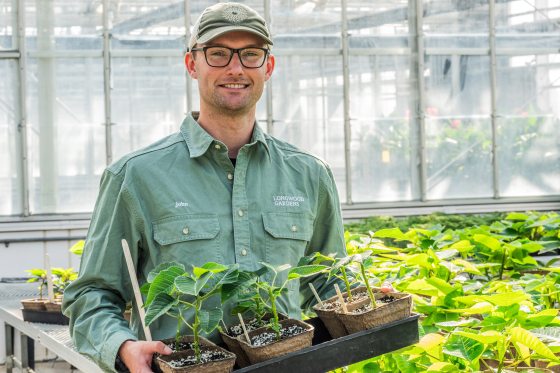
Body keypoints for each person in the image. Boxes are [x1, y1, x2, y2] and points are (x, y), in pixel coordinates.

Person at [62, 2, 346, 372]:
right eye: (218, 54)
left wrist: (364, 302)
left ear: (268, 67)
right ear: (192, 65)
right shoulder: (136, 176)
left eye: (250, 54)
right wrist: (123, 345)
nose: (235, 68)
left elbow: (326, 281)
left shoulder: (308, 174)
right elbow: (91, 294)